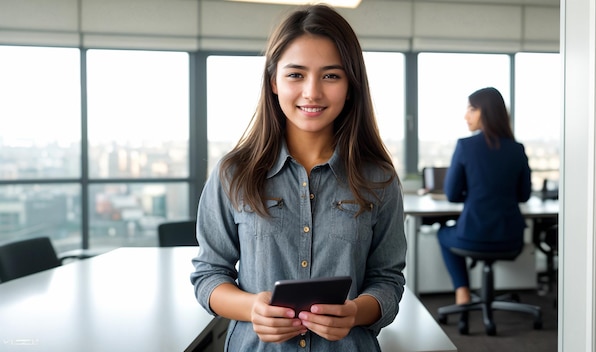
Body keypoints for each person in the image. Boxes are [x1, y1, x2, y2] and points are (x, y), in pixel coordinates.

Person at [190, 4, 406, 351]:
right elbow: (208, 275)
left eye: (331, 76)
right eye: (296, 75)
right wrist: (253, 308)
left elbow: (388, 281)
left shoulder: (378, 179)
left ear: (351, 85)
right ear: (273, 81)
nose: (312, 92)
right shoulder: (234, 174)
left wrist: (353, 312)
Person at [437, 87, 531, 305]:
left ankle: (462, 291)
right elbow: (524, 195)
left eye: (471, 109)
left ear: (486, 112)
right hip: (511, 238)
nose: (466, 115)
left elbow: (451, 194)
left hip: (473, 235)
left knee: (443, 233)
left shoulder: (466, 146)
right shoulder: (517, 149)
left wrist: (474, 194)